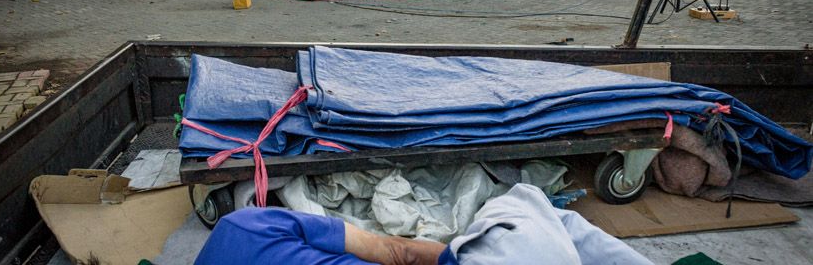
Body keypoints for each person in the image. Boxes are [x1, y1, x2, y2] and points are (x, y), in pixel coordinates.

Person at [196, 184, 654, 265]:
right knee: (538, 214)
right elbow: (394, 250)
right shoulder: (247, 225)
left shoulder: (243, 230)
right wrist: (456, 255)